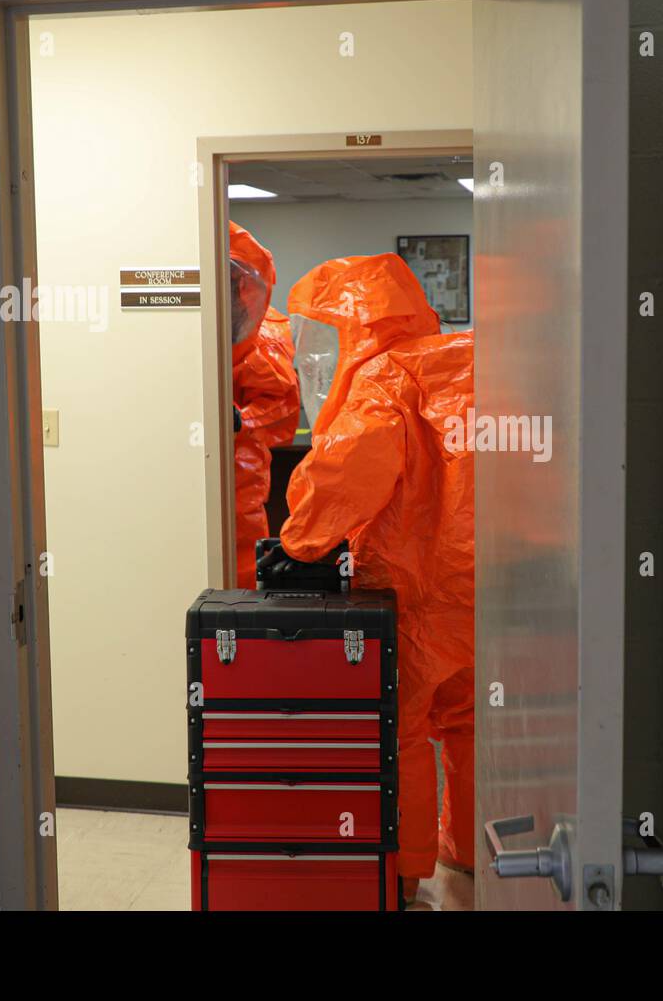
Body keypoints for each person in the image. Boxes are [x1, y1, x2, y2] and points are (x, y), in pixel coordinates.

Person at [273, 254, 475, 902]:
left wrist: (298, 536)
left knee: (403, 729)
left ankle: (406, 871)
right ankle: (470, 851)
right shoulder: (466, 364)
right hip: (483, 585)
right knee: (470, 722)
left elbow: (347, 474)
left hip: (414, 593)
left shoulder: (385, 378)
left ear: (359, 326)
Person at [229, 221, 301, 589]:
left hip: (240, 472)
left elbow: (282, 406)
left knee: (238, 566)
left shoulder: (266, 339)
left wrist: (241, 421)